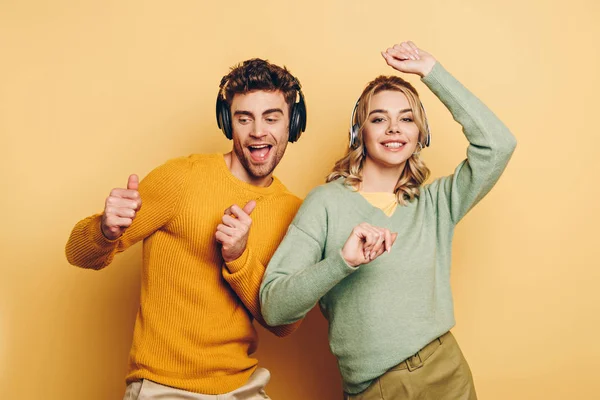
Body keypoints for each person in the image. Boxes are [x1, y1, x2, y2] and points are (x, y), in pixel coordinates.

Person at [260, 41, 517, 400]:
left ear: (420, 135)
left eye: (407, 119)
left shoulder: (435, 203)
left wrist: (433, 72)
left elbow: (499, 145)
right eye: (379, 118)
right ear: (359, 133)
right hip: (376, 387)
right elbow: (273, 307)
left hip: (447, 372)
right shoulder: (325, 204)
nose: (394, 128)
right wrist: (343, 262)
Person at [65, 58, 307, 399]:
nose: (257, 131)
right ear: (228, 122)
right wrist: (105, 230)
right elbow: (79, 254)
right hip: (164, 386)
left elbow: (285, 324)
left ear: (292, 124)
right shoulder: (181, 178)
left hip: (242, 386)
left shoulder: (293, 212)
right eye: (244, 118)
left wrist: (238, 259)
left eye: (271, 117)